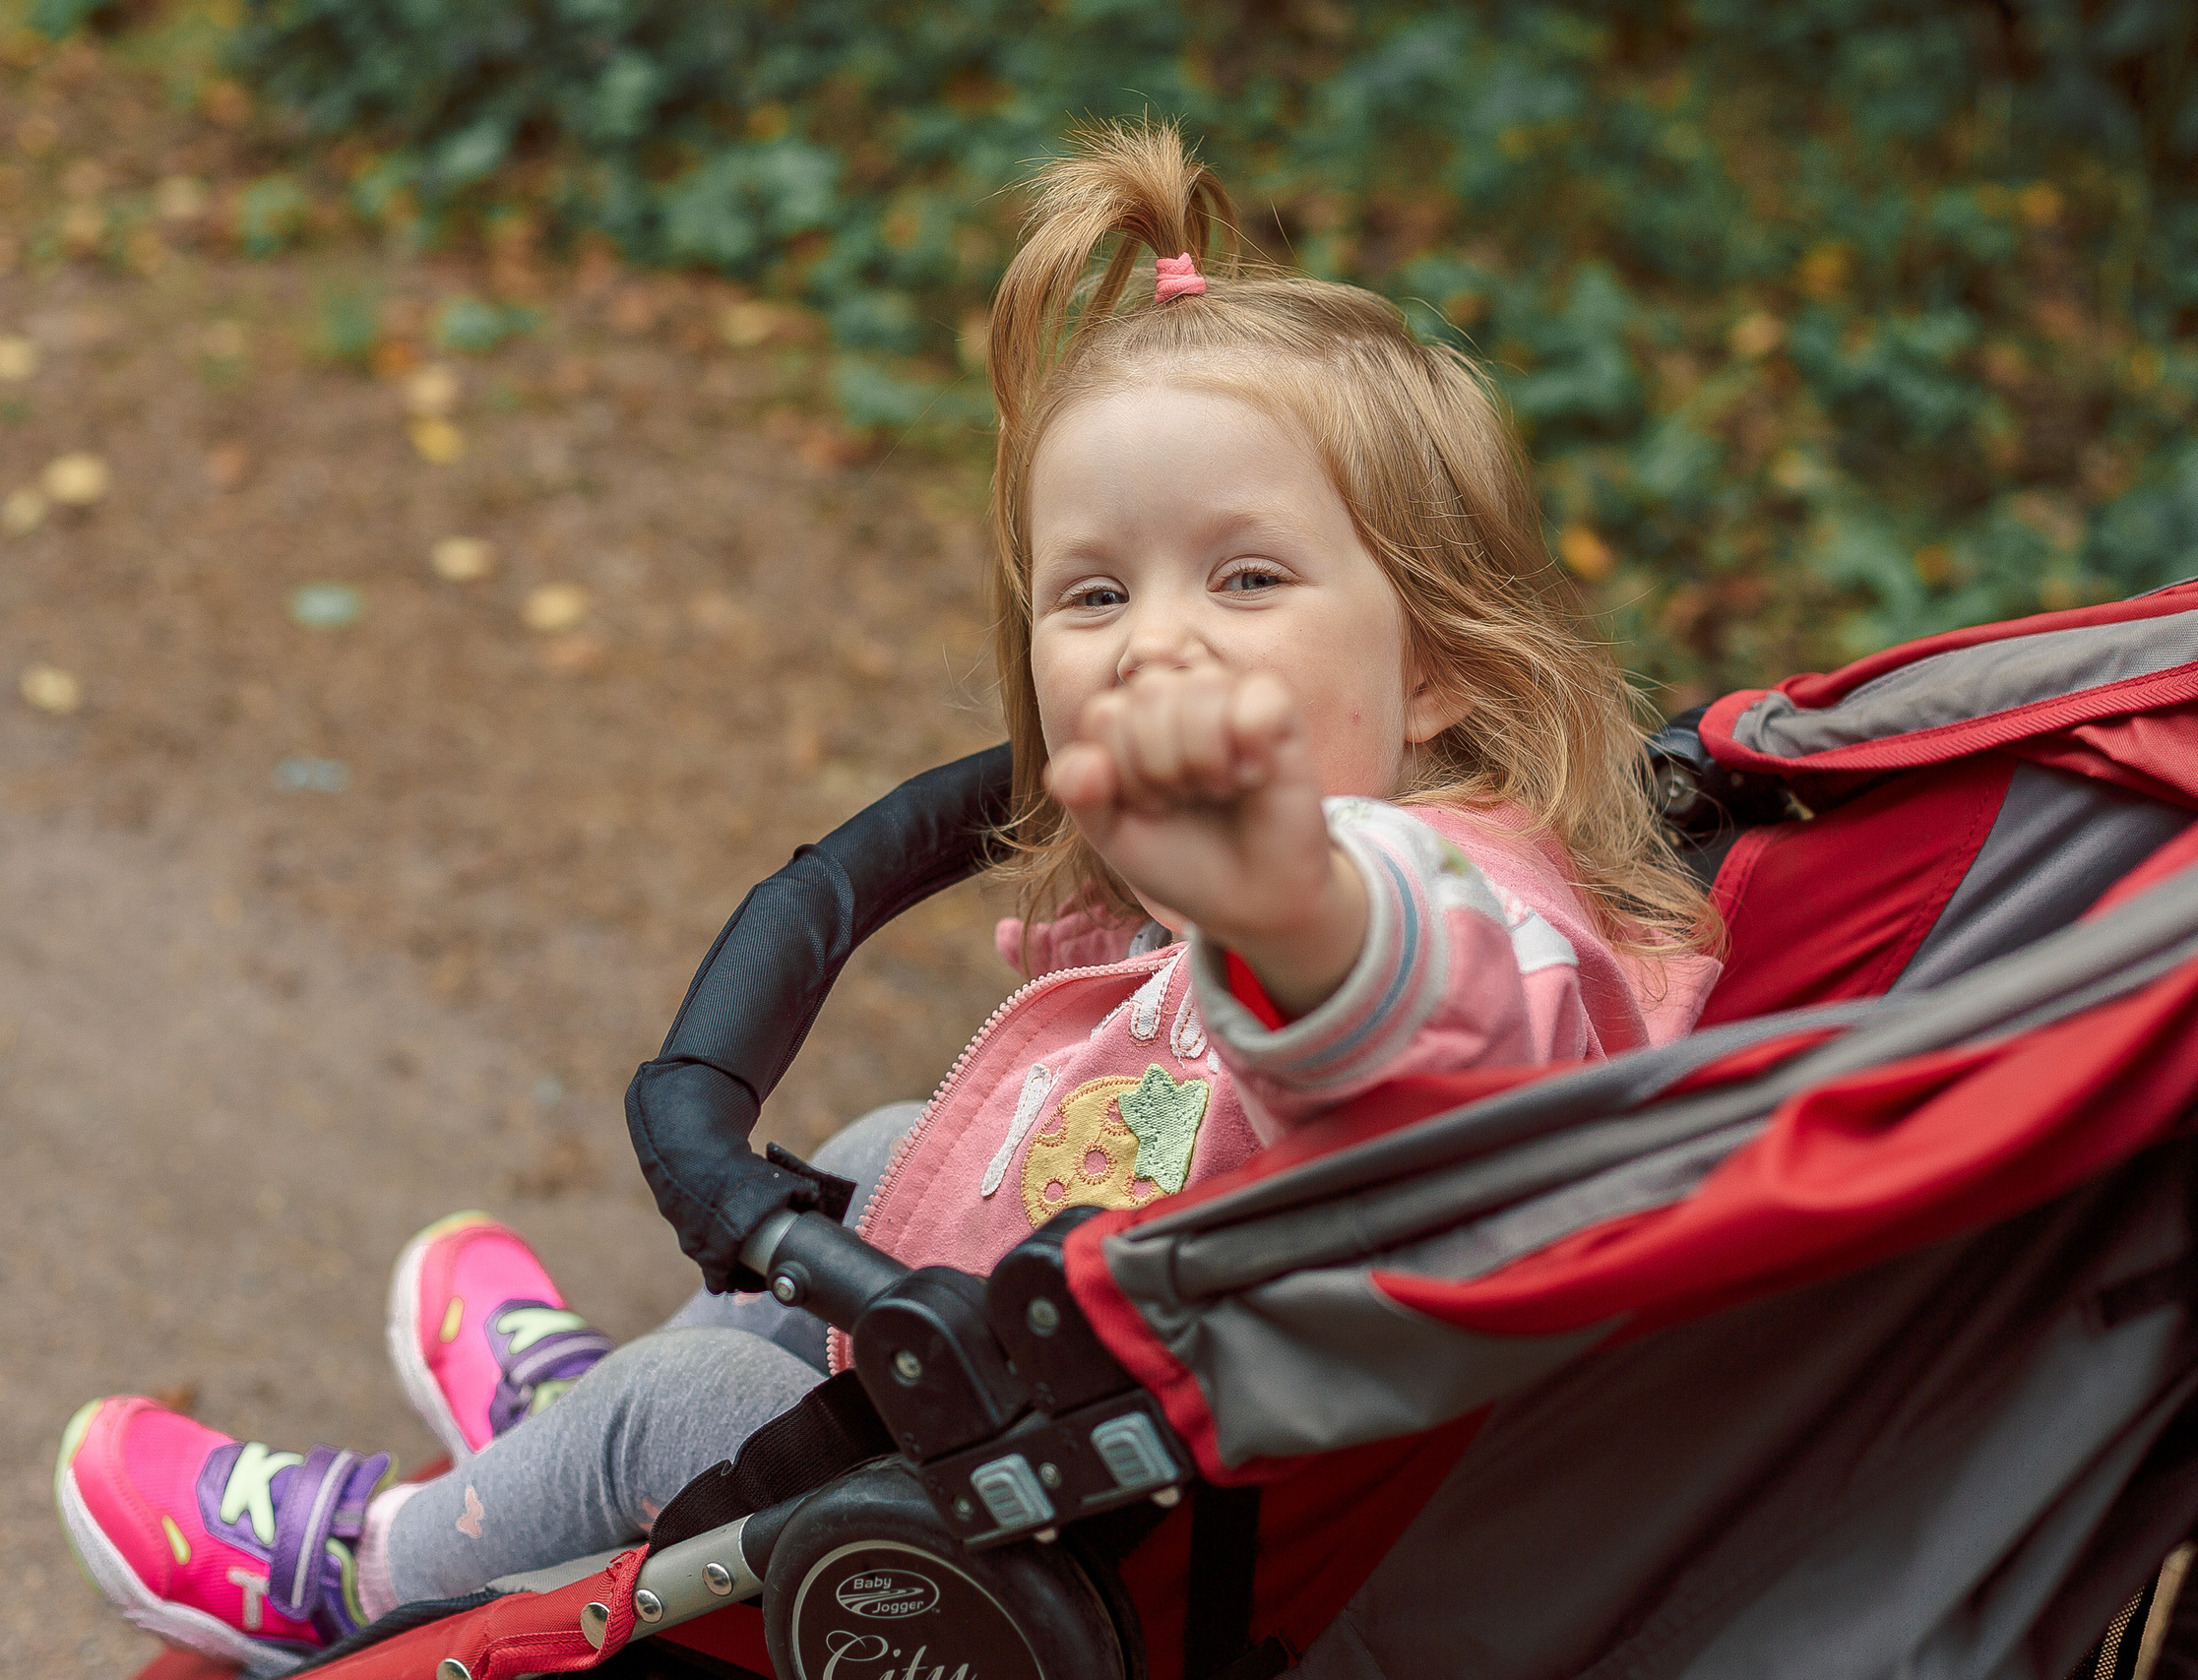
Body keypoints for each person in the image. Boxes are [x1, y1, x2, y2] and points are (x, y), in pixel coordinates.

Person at [54, 118, 1725, 1675]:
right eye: (1092, 591)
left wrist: (1290, 907)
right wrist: (1160, 920)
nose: (1153, 636)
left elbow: (1427, 1064)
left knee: (698, 1395)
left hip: (1126, 1506)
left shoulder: (1453, 912)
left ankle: (372, 1561)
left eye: (1248, 577)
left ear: (1433, 659)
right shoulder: (1333, 838)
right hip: (1087, 1363)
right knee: (872, 1152)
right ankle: (559, 1445)